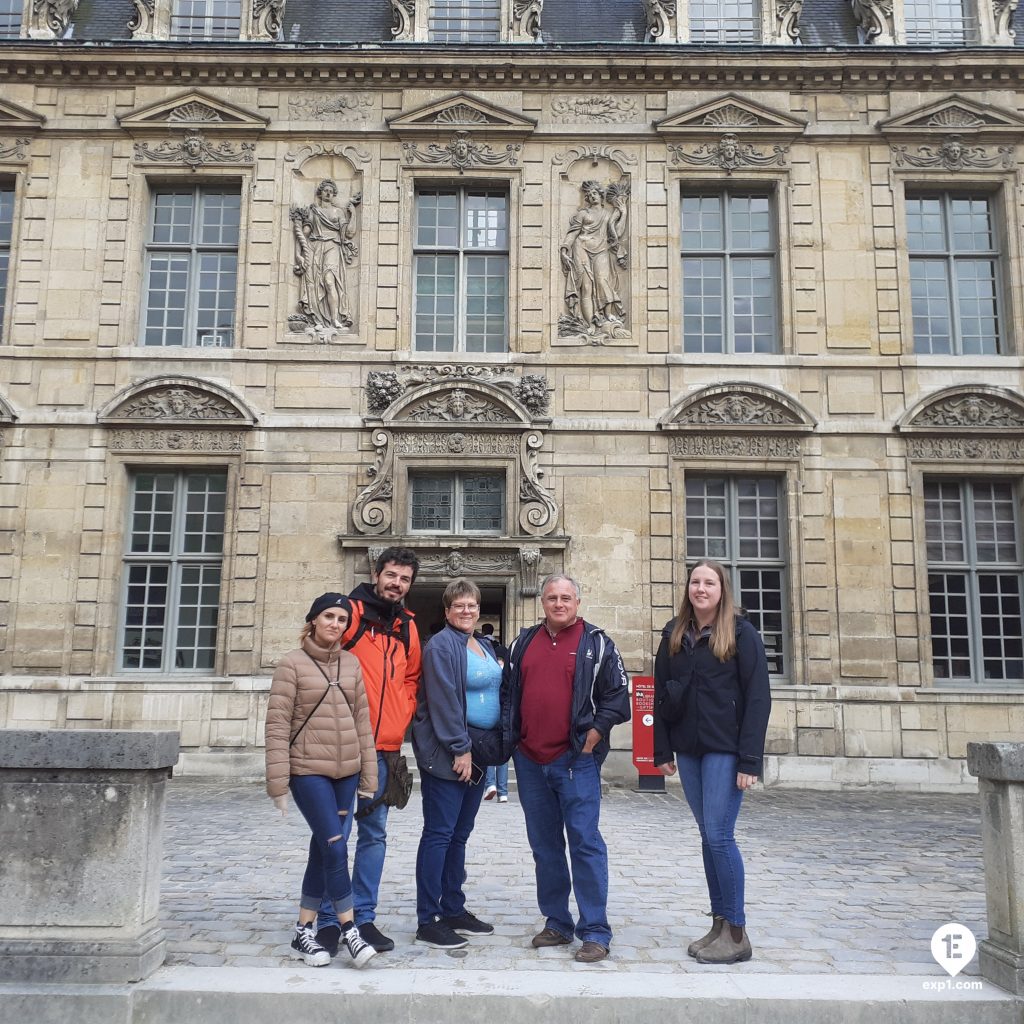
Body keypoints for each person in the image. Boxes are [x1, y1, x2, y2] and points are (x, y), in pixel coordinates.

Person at [503, 573, 630, 964]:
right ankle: (557, 922)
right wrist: (510, 740)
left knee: (585, 843)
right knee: (545, 847)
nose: (559, 604)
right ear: (542, 601)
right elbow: (509, 694)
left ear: (578, 601)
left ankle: (595, 930)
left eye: (566, 598)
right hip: (530, 760)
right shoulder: (522, 642)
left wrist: (594, 733)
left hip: (575, 760)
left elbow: (618, 696)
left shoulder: (597, 643)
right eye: (552, 597)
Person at [652, 560, 772, 965]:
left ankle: (737, 932)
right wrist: (662, 750)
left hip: (726, 749)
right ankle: (720, 923)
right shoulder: (674, 633)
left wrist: (749, 760)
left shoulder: (741, 633)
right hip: (688, 749)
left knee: (720, 835)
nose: (701, 588)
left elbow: (758, 698)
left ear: (722, 589)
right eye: (695, 582)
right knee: (707, 836)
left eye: (709, 582)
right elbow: (661, 695)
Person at [315, 547, 422, 956]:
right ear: (377, 573)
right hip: (345, 746)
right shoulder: (349, 615)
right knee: (335, 836)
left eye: (405, 579)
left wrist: (402, 712)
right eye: (391, 575)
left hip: (387, 748)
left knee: (374, 835)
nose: (397, 584)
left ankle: (363, 917)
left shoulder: (409, 626)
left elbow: (411, 678)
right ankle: (328, 919)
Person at [264, 593, 379, 969]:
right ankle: (350, 930)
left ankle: (303, 929)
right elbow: (278, 726)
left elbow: (362, 722)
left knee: (322, 848)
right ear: (312, 620)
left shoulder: (351, 664)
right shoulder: (291, 665)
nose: (335, 624)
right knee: (335, 846)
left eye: (342, 619)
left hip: (345, 772)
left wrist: (368, 773)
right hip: (308, 770)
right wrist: (278, 784)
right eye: (328, 616)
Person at [411, 578, 501, 948]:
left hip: (477, 752)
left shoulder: (478, 643)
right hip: (449, 754)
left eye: (473, 605)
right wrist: (459, 748)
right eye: (460, 605)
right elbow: (443, 700)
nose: (467, 611)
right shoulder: (440, 646)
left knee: (459, 835)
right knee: (439, 833)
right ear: (447, 611)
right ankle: (427, 917)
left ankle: (452, 907)